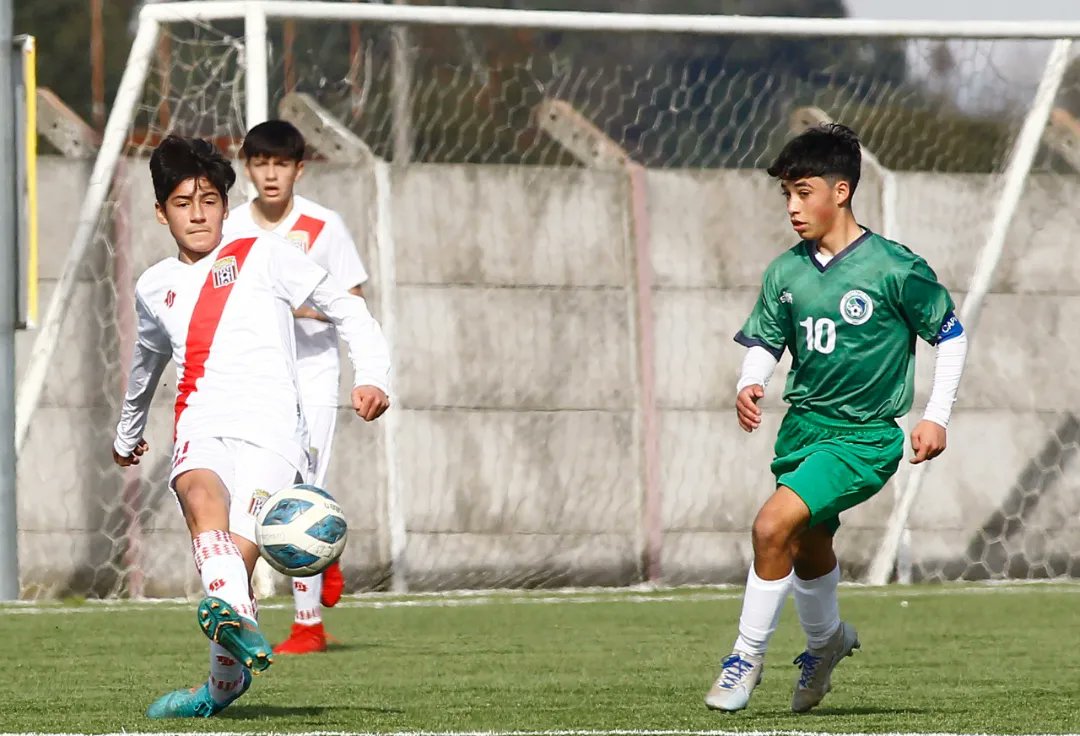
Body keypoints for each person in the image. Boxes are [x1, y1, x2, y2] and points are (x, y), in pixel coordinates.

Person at [112, 135, 390, 719]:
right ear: (161, 212)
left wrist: (373, 375)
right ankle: (237, 627)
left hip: (272, 431)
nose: (197, 214)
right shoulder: (153, 286)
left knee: (235, 558)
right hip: (202, 419)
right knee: (197, 492)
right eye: (183, 203)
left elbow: (346, 306)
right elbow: (146, 363)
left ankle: (220, 685)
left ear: (223, 203)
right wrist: (127, 430)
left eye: (209, 200)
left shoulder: (262, 253)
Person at [704, 123, 967, 714]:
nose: (793, 208)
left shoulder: (896, 269)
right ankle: (826, 644)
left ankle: (745, 658)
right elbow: (767, 339)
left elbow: (950, 337)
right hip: (802, 430)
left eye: (803, 192)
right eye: (786, 196)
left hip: (864, 437)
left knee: (772, 527)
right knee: (806, 540)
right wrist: (751, 381)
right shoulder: (786, 272)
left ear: (841, 191)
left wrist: (935, 415)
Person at [223, 119, 367, 655]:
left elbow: (352, 298)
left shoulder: (324, 226)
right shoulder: (233, 227)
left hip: (312, 373)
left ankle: (308, 626)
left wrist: (295, 304)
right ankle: (321, 558)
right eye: (260, 164)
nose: (270, 174)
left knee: (301, 485)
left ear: (299, 169)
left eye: (281, 164)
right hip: (257, 375)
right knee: (256, 490)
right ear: (248, 169)